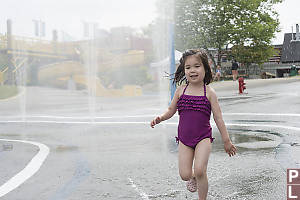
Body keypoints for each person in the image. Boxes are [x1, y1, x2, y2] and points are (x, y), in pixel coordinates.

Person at [150, 49, 236, 200]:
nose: (192, 70)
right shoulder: (180, 91)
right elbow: (171, 110)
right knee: (184, 175)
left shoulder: (209, 92)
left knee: (200, 169)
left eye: (197, 66)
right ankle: (193, 176)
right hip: (184, 139)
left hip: (203, 138)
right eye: (188, 67)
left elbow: (218, 118)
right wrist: (160, 118)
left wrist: (227, 141)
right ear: (184, 70)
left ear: (205, 68)